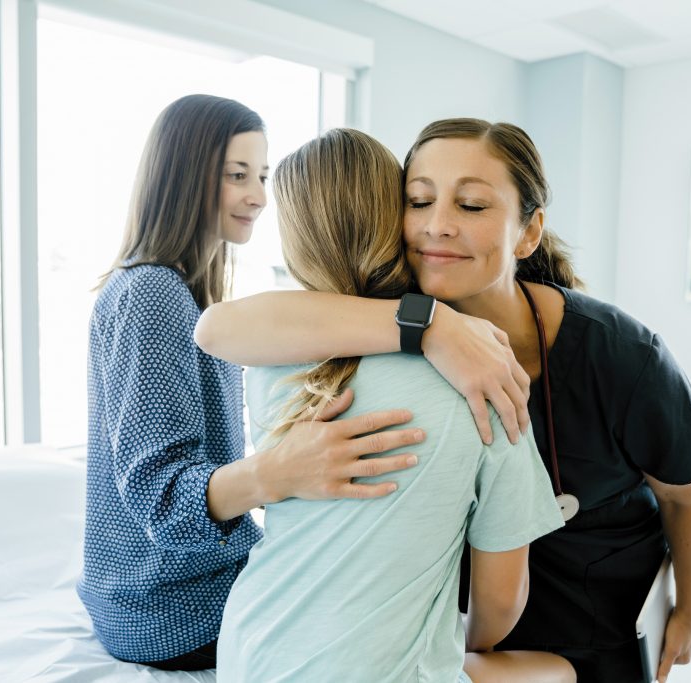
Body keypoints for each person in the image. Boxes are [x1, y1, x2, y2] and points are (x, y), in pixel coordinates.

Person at [197, 118, 691, 683]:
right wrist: (429, 326)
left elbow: (681, 497)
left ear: (528, 232)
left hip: (598, 626)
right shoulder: (388, 327)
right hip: (460, 635)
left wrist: (689, 609)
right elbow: (220, 329)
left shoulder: (621, 353)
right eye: (418, 202)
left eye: (471, 206)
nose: (438, 225)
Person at [77, 95, 440, 670]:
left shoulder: (183, 293)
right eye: (236, 175)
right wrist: (281, 471)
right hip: (169, 611)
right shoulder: (152, 293)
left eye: (263, 177)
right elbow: (160, 500)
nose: (258, 197)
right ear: (182, 177)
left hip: (170, 590)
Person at [214, 128, 573, 683]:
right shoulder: (483, 380)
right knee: (558, 671)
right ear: (396, 218)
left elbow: (219, 327)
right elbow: (501, 601)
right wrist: (459, 647)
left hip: (247, 653)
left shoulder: (271, 363)